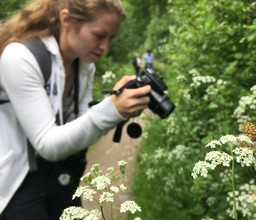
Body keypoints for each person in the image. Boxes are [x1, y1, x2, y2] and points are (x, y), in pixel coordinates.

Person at [0, 0, 151, 219]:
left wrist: (120, 108)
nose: (105, 47)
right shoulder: (20, 57)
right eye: (99, 35)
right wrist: (111, 110)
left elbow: (82, 126)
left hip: (59, 170)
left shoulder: (84, 64)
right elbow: (47, 144)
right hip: (15, 179)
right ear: (66, 20)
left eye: (111, 37)